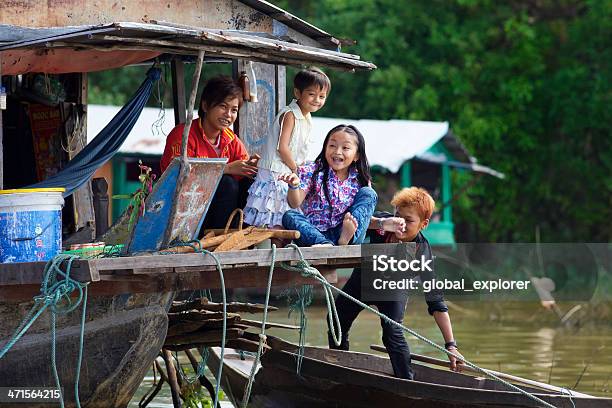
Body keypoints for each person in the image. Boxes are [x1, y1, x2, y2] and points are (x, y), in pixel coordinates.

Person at [328, 187, 464, 379]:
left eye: (408, 221)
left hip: (393, 291)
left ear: (423, 224)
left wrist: (451, 345)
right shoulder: (384, 224)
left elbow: (436, 301)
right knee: (335, 320)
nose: (400, 223)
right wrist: (382, 223)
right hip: (362, 282)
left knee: (392, 334)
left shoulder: (421, 251)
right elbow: (357, 220)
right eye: (398, 216)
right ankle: (341, 371)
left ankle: (407, 382)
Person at [160, 76, 260, 229]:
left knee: (252, 183)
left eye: (234, 110)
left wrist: (253, 168)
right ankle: (217, 238)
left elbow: (244, 171)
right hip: (185, 215)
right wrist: (225, 169)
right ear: (205, 106)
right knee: (227, 183)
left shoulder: (231, 140)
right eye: (223, 106)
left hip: (223, 214)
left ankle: (242, 235)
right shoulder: (183, 134)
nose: (228, 114)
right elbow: (177, 178)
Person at [244, 67, 330, 228]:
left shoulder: (306, 116)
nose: (317, 100)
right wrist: (296, 168)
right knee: (270, 215)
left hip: (286, 170)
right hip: (275, 171)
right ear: (298, 93)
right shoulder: (290, 114)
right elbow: (282, 148)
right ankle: (264, 250)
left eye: (322, 96)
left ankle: (278, 247)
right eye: (311, 94)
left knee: (281, 214)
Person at [279, 124, 377, 246]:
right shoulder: (312, 171)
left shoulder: (360, 180)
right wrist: (294, 186)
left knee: (369, 193)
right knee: (289, 216)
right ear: (325, 148)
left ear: (356, 156)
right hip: (314, 235)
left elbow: (364, 217)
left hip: (345, 233)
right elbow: (294, 203)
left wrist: (383, 223)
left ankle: (347, 239)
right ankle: (325, 243)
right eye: (332, 145)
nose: (337, 151)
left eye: (345, 147)